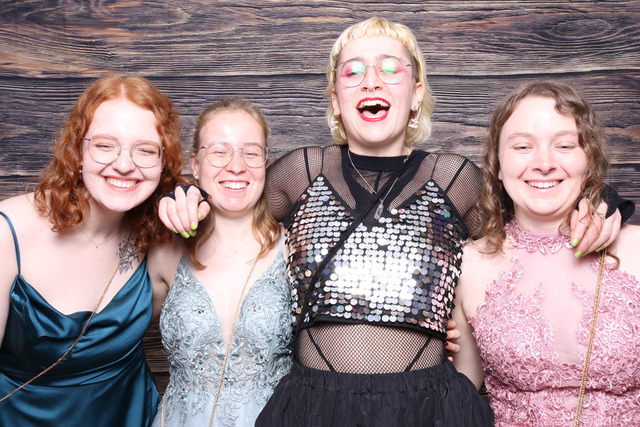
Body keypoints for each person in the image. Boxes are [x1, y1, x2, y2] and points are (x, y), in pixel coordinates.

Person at [159, 19, 629, 426]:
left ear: (416, 93)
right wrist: (186, 196)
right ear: (336, 98)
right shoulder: (302, 171)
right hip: (314, 402)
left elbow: (532, 210)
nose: (371, 82)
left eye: (390, 69)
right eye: (353, 72)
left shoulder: (454, 179)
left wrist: (603, 201)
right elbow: (234, 194)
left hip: (427, 403)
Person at [0, 74, 184, 426]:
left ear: (163, 162)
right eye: (105, 145)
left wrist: (199, 202)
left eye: (145, 150)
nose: (124, 164)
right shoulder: (7, 233)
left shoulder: (157, 236)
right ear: (78, 151)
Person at [452, 81, 640, 425]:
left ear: (589, 159)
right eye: (523, 146)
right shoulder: (467, 265)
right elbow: (458, 397)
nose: (544, 163)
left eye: (564, 145)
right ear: (498, 164)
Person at [148, 97, 292, 427]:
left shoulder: (295, 248)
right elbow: (114, 333)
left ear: (266, 163)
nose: (236, 166)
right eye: (219, 151)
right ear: (195, 164)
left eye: (250, 153)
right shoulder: (164, 251)